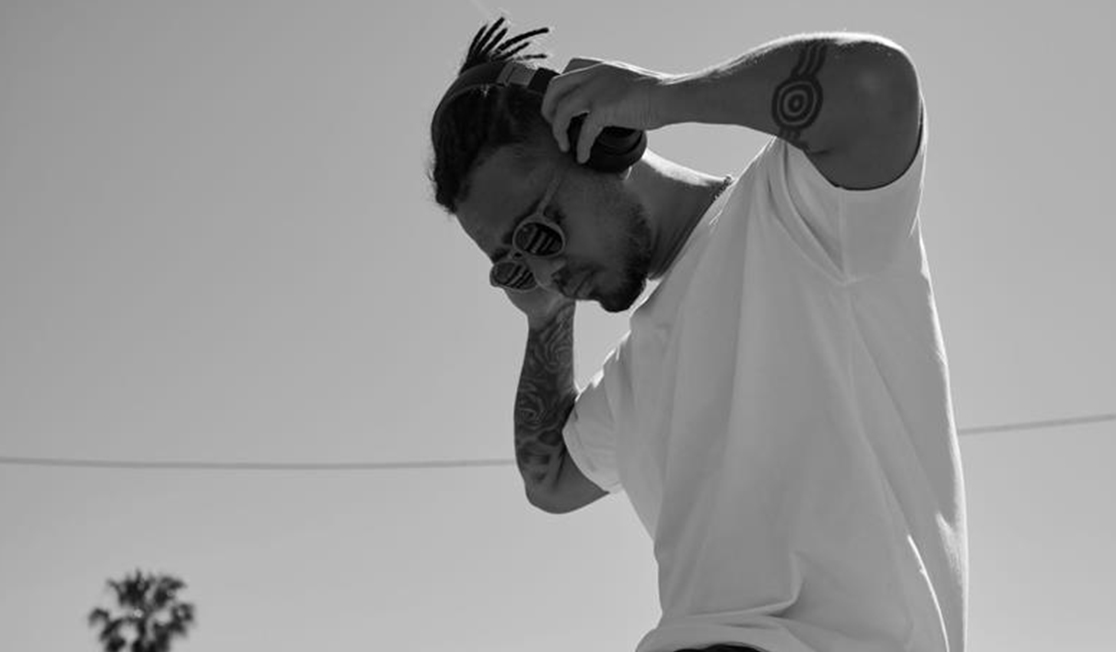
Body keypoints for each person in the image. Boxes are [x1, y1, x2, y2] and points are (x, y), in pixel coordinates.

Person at [428, 17, 967, 652]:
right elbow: (549, 482)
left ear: (601, 142)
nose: (545, 270)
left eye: (538, 232)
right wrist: (544, 315)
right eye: (514, 264)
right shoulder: (632, 378)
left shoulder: (800, 212)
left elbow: (878, 86)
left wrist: (664, 97)